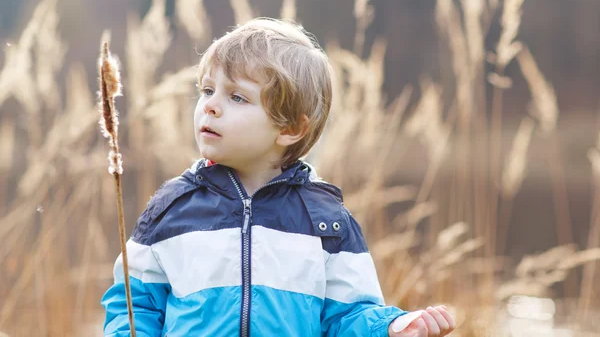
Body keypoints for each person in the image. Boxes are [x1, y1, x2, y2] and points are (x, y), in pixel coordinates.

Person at [101, 18, 456, 336]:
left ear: (289, 128)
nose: (210, 105)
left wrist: (390, 328)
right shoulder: (171, 209)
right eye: (207, 90)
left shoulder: (326, 222)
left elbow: (348, 316)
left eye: (237, 97)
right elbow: (134, 305)